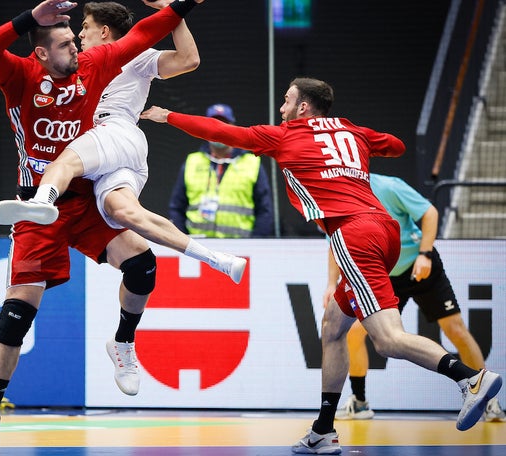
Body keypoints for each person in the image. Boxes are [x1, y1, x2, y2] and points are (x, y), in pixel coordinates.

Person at [140, 77, 503, 454]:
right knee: (333, 327)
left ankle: (469, 379)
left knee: (388, 340)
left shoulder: (285, 135)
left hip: (353, 233)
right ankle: (323, 430)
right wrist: (354, 146)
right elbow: (395, 146)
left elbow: (224, 133)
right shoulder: (352, 130)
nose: (281, 109)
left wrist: (168, 116)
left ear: (302, 108)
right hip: (385, 232)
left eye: (286, 101)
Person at [0, 0, 204, 454]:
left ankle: (123, 342)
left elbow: (143, 34)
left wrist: (183, 4)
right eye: (65, 43)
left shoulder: (92, 65)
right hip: (37, 207)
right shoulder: (19, 76)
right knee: (16, 314)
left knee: (142, 266)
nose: (77, 45)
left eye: (79, 38)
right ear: (40, 53)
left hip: (86, 202)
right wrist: (27, 21)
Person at [0, 0, 247, 285]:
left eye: (85, 28)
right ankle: (218, 259)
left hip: (115, 133)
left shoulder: (131, 56)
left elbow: (188, 60)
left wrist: (172, 9)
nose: (80, 35)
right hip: (105, 158)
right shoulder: (74, 68)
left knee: (63, 162)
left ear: (105, 31)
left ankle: (42, 200)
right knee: (124, 212)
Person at [324, 173, 506, 423]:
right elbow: (337, 245)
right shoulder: (335, 198)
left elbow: (429, 213)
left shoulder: (389, 186)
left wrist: (425, 254)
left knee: (455, 329)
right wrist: (330, 284)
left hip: (420, 267)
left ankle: (488, 401)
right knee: (355, 332)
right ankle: (360, 402)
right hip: (383, 274)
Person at [168, 103, 273, 238]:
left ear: (233, 127)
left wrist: (254, 245)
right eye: (212, 125)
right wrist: (184, 242)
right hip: (198, 248)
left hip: (241, 248)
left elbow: (265, 211)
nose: (217, 131)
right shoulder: (192, 161)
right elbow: (176, 208)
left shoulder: (252, 162)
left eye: (223, 125)